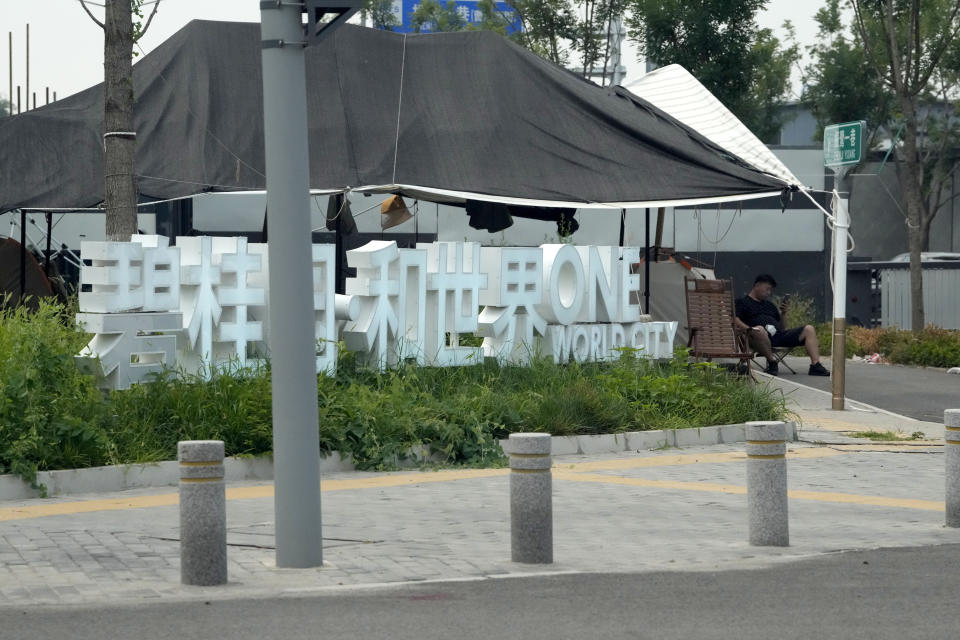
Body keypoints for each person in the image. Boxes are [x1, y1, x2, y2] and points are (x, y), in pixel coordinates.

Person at [734, 274, 830, 377]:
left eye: (770, 290)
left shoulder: (769, 305)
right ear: (757, 285)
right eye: (767, 289)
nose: (769, 293)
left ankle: (815, 365)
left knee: (809, 329)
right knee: (760, 329)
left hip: (778, 336)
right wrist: (749, 329)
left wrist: (783, 313)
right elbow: (735, 319)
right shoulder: (742, 302)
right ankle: (772, 362)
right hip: (755, 337)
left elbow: (782, 327)